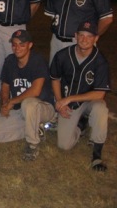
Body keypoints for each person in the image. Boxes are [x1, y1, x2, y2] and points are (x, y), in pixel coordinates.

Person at [0, 30, 55, 161]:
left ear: (30, 45)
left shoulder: (37, 60)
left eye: (22, 44)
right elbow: (5, 86)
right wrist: (6, 104)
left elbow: (36, 91)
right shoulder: (10, 61)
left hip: (43, 107)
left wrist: (12, 102)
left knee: (28, 103)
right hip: (20, 109)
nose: (17, 48)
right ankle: (35, 128)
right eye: (14, 44)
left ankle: (33, 144)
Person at [50, 21, 110, 172]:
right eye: (81, 35)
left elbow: (100, 93)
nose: (84, 39)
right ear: (75, 36)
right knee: (64, 145)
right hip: (69, 104)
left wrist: (69, 99)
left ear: (96, 38)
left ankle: (96, 154)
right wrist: (59, 102)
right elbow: (55, 79)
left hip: (89, 101)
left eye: (89, 36)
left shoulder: (100, 61)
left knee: (100, 108)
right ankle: (81, 125)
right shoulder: (63, 55)